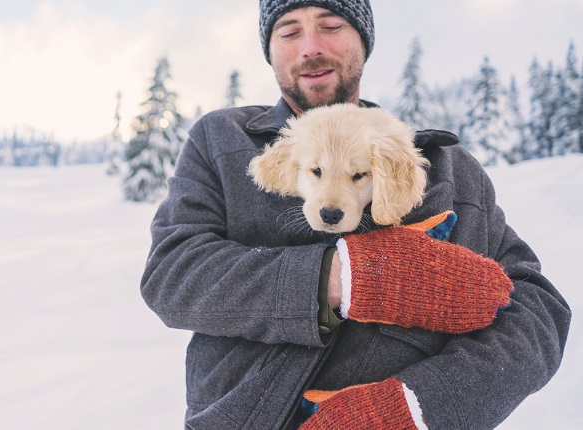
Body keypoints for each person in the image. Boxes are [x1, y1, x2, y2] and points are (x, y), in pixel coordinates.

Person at [140, 0, 572, 428]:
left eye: (331, 26)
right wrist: (340, 277)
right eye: (289, 31)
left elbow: (537, 313)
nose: (311, 46)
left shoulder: (448, 168)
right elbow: (172, 274)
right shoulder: (221, 141)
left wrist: (418, 406)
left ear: (362, 40)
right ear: (269, 50)